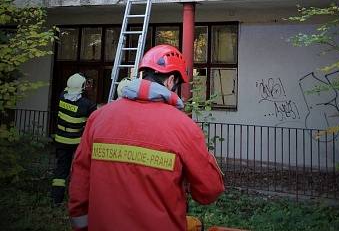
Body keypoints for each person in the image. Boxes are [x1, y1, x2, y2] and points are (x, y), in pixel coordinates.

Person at [68, 44, 224, 231]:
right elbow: (209, 191)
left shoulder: (99, 118)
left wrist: (83, 225)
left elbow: (80, 180)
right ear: (171, 81)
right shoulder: (183, 127)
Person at [51, 73, 97, 205]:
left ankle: (56, 199)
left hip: (60, 140)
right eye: (86, 84)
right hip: (77, 143)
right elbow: (93, 120)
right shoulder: (88, 104)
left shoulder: (62, 97)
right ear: (82, 87)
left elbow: (68, 91)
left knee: (61, 168)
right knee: (78, 170)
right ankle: (76, 199)